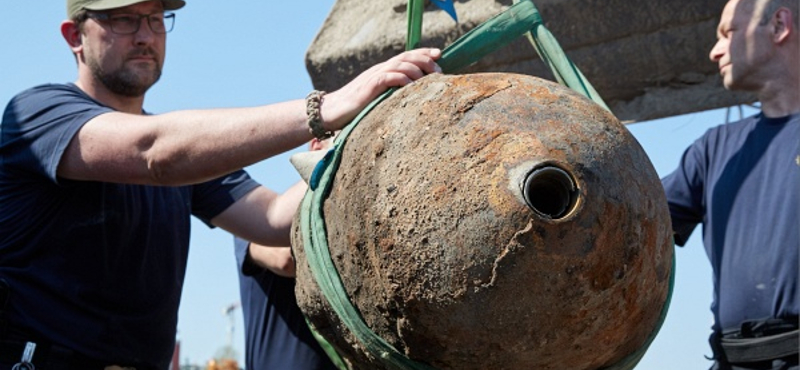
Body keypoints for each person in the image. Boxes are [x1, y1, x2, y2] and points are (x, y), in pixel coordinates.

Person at [0, 0, 441, 368]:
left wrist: (361, 135)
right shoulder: (39, 115)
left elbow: (273, 220)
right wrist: (328, 106)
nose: (145, 35)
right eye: (124, 19)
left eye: (156, 20)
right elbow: (154, 153)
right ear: (74, 36)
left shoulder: (187, 158)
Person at [661, 0, 799, 369]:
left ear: (779, 25)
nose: (715, 50)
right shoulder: (712, 149)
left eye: (728, 33)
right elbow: (631, 218)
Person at [234, 136, 340, 370]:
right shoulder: (252, 225)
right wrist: (337, 163)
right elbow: (286, 259)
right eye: (342, 137)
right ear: (316, 147)